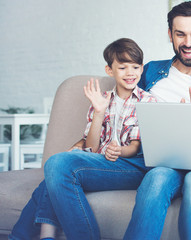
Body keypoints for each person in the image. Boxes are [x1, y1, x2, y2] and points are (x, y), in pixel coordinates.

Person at [9, 38, 155, 239]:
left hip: (132, 165)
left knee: (58, 164)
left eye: (135, 67)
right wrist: (99, 112)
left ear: (141, 69)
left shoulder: (148, 101)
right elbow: (92, 147)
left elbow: (135, 146)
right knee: (56, 169)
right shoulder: (102, 99)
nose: (130, 73)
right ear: (109, 70)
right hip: (102, 163)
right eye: (122, 67)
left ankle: (28, 236)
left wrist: (120, 150)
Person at [121, 1, 191, 239]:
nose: (188, 43)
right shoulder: (149, 71)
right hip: (147, 159)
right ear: (170, 34)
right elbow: (122, 111)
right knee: (63, 164)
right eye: (180, 34)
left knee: (166, 177)